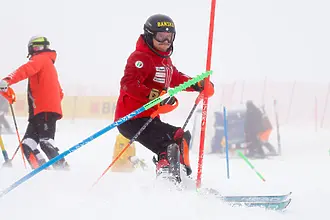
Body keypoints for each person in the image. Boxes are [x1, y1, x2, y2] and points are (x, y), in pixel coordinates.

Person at [114, 14, 214, 183]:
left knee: (179, 137)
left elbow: (176, 78)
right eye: (161, 37)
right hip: (131, 118)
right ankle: (167, 178)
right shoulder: (140, 57)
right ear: (149, 35)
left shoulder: (164, 60)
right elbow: (128, 83)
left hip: (149, 118)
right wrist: (156, 96)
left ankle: (178, 176)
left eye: (170, 37)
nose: (166, 42)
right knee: (170, 142)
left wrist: (198, 84)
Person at [0, 36, 69, 170]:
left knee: (45, 142)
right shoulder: (47, 64)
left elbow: (25, 70)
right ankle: (42, 171)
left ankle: (63, 170)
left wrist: (8, 80)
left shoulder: (41, 59)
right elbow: (59, 93)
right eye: (35, 47)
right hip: (39, 112)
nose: (37, 50)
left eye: (40, 47)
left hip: (44, 111)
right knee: (27, 145)